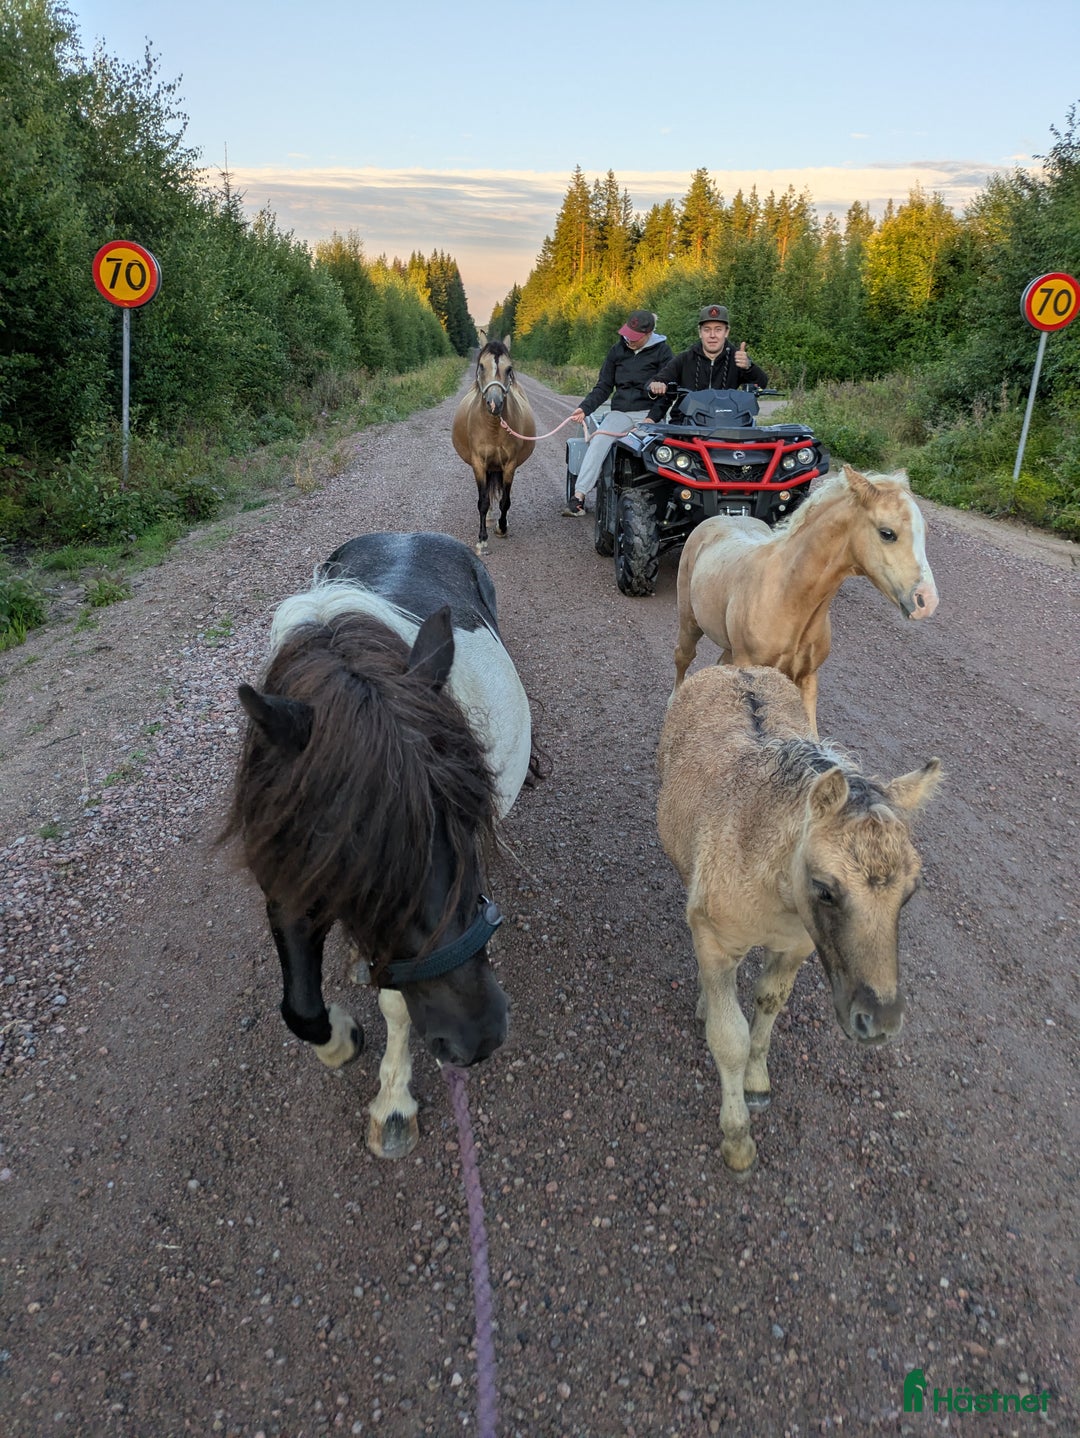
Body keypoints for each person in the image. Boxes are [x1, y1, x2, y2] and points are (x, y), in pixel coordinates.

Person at [562, 309, 673, 516]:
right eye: (626, 334)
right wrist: (584, 409)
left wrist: (652, 417)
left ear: (648, 334)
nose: (628, 340)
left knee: (655, 452)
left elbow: (667, 394)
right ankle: (579, 497)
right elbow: (604, 386)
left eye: (634, 337)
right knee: (599, 440)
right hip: (621, 412)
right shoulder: (617, 350)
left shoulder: (663, 352)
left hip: (649, 414)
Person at [647, 304, 767, 421]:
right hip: (686, 425)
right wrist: (656, 386)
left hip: (726, 422)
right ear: (700, 332)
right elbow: (658, 381)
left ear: (726, 332)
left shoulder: (738, 359)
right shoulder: (684, 359)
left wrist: (749, 367)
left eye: (718, 330)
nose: (712, 335)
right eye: (707, 330)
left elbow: (761, 384)